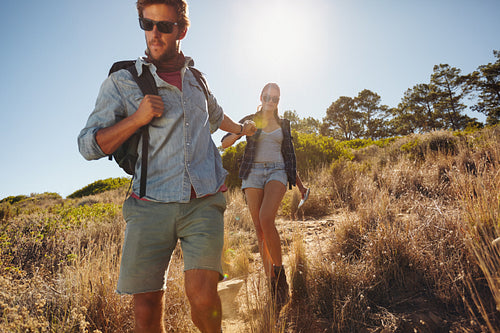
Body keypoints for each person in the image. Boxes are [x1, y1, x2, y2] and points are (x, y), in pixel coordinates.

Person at [78, 1, 256, 332]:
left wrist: (241, 129)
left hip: (203, 200)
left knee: (202, 298)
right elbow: (88, 145)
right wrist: (136, 119)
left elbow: (216, 117)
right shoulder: (123, 80)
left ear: (182, 30)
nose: (154, 34)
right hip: (149, 205)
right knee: (146, 308)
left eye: (164, 26)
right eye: (147, 24)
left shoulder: (198, 80)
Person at [221, 83, 308, 312]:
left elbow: (289, 158)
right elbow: (224, 143)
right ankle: (271, 282)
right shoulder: (250, 119)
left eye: (275, 98)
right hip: (253, 174)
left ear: (279, 101)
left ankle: (280, 275)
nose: (271, 101)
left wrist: (300, 185)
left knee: (267, 218)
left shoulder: (284, 124)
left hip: (277, 171)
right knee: (259, 229)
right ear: (261, 97)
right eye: (268, 97)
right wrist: (242, 130)